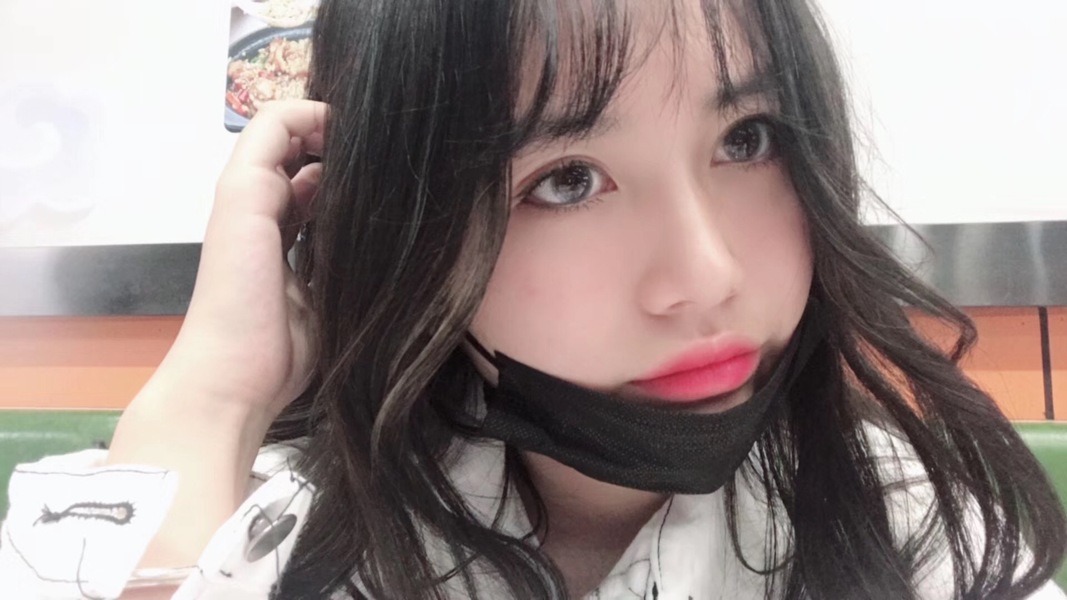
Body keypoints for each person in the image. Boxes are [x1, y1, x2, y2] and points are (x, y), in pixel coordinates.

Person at [2, 0, 1065, 598]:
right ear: (411, 227)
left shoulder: (922, 531)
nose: (706, 275)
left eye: (746, 140)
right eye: (566, 181)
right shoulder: (280, 534)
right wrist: (211, 395)